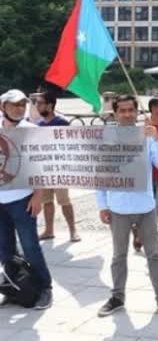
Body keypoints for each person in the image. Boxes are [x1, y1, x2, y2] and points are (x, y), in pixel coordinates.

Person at [96, 94, 158, 317]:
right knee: (118, 255)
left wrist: (157, 139)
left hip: (145, 206)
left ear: (137, 112)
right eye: (123, 110)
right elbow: (100, 174)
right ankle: (117, 296)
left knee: (154, 254)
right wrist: (102, 204)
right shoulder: (106, 139)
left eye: (131, 110)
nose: (128, 114)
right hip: (118, 207)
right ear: (115, 113)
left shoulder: (147, 136)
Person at [0, 89, 53, 309]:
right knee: (5, 248)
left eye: (23, 104)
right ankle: (14, 287)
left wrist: (38, 195)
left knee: (31, 246)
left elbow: (41, 164)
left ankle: (45, 288)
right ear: (3, 107)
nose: (19, 108)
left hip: (22, 198)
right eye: (14, 105)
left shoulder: (32, 130)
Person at [35, 91, 80, 243]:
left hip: (60, 169)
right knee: (46, 201)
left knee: (64, 200)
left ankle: (73, 230)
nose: (37, 106)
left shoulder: (62, 122)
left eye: (40, 103)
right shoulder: (37, 125)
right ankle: (49, 230)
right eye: (36, 103)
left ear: (50, 105)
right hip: (43, 169)